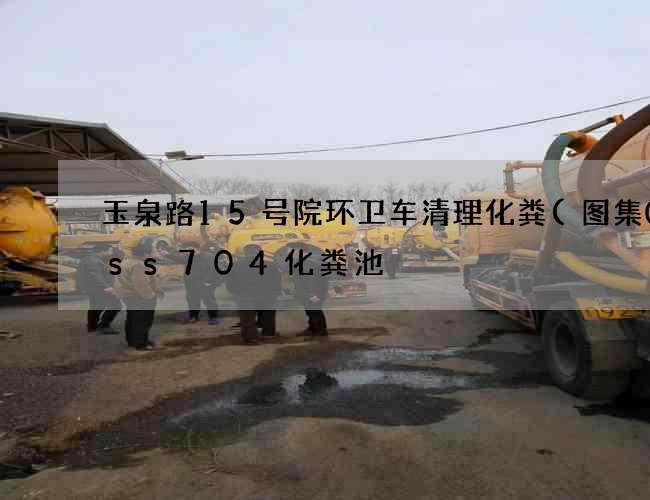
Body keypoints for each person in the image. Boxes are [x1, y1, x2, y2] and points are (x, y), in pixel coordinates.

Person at [115, 236, 164, 350]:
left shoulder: (126, 261)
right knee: (143, 320)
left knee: (132, 318)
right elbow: (141, 285)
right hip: (139, 297)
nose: (155, 250)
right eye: (153, 249)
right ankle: (141, 343)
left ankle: (133, 341)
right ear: (145, 252)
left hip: (128, 296)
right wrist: (151, 297)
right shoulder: (139, 265)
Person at [226, 244, 281, 344]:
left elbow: (230, 282)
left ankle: (250, 338)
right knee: (268, 314)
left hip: (244, 295)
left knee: (247, 317)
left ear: (245, 253)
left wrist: (235, 293)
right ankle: (268, 334)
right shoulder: (271, 265)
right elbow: (276, 281)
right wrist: (276, 293)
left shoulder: (236, 265)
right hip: (267, 295)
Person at [76, 244, 122, 334]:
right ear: (103, 251)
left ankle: (92, 326)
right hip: (99, 289)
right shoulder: (93, 261)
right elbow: (95, 276)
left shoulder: (89, 259)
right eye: (110, 250)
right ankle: (104, 326)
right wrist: (107, 287)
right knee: (116, 305)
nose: (111, 253)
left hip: (94, 288)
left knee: (96, 306)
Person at [293, 244, 329, 337]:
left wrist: (311, 294)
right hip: (310, 293)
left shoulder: (307, 264)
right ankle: (313, 329)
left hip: (312, 293)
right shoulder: (304, 262)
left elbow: (310, 280)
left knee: (314, 312)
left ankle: (319, 333)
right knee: (311, 312)